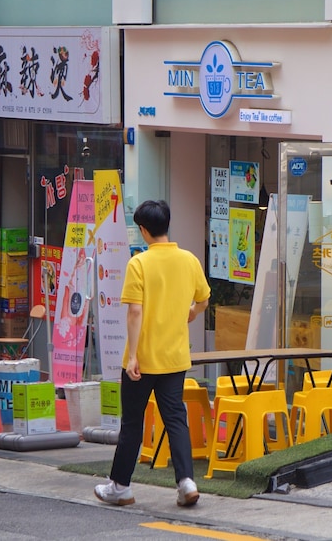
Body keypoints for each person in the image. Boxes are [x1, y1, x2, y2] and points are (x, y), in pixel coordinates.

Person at [94, 200, 210, 508]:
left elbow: (135, 311)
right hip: (174, 357)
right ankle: (186, 481)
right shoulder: (189, 260)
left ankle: (120, 486)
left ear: (144, 230)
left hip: (142, 360)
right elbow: (204, 299)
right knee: (175, 419)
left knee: (132, 422)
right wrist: (192, 312)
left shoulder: (139, 263)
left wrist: (132, 356)